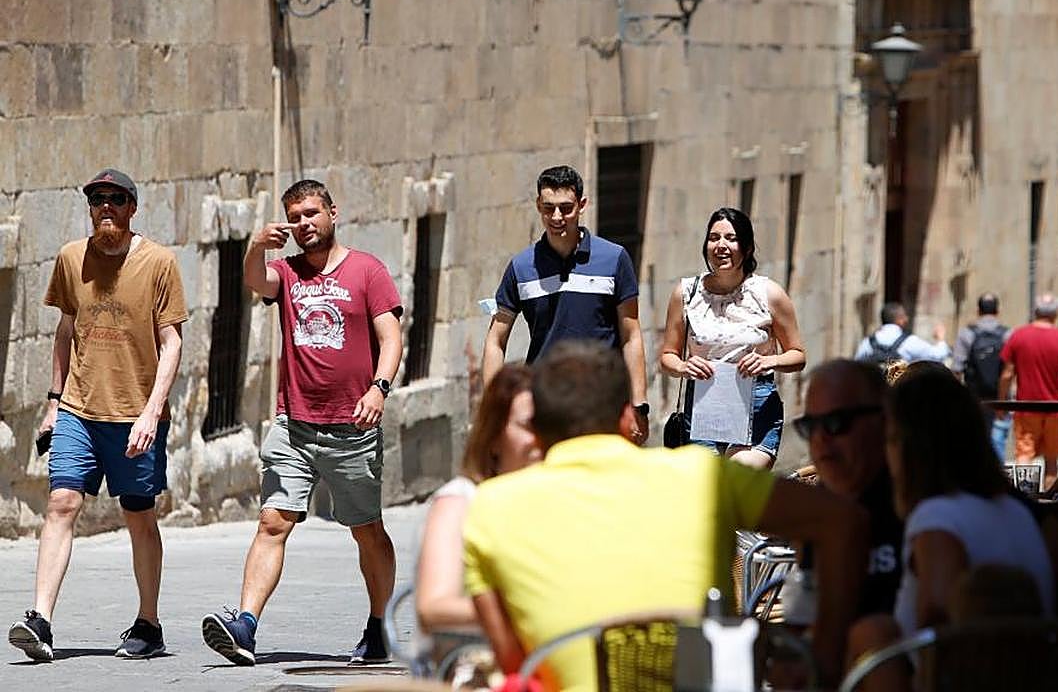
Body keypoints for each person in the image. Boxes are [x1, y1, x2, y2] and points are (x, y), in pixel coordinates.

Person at [463, 340, 869, 690]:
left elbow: (518, 662)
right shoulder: (703, 475)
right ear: (627, 419)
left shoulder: (489, 509)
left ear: (536, 429)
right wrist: (825, 658)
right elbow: (843, 521)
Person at [201, 179, 404, 666]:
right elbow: (255, 282)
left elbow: (391, 336)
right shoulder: (287, 273)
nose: (304, 224)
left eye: (312, 213)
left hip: (352, 428)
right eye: (295, 217)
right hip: (293, 424)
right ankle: (245, 626)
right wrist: (254, 245)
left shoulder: (367, 271)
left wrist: (379, 388)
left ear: (333, 212)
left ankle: (380, 625)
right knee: (273, 521)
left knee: (366, 530)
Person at [8, 169, 187, 662]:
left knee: (138, 514)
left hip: (136, 414)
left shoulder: (159, 263)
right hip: (78, 410)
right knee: (62, 503)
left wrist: (152, 412)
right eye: (97, 199)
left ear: (132, 208)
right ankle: (39, 619)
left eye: (116, 199)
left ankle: (148, 623)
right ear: (90, 208)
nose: (106, 206)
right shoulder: (70, 258)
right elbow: (66, 331)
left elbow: (172, 344)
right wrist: (52, 403)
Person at [845, 363, 1054, 692]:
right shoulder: (1014, 509)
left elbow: (940, 638)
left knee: (871, 634)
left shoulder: (938, 520)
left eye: (890, 439)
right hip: (1030, 674)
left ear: (910, 446)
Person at [482, 165, 650, 443]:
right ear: (538, 206)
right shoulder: (521, 267)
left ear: (582, 205)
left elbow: (631, 336)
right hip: (544, 404)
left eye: (566, 208)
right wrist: (495, 409)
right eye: (548, 208)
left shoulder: (614, 259)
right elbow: (495, 341)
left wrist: (638, 404)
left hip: (603, 400)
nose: (557, 217)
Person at [659, 207, 806, 469]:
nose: (721, 246)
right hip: (704, 405)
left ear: (747, 248)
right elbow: (667, 357)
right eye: (714, 238)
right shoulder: (686, 293)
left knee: (740, 477)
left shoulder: (769, 294)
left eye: (731, 238)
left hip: (756, 403)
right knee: (709, 490)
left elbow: (797, 355)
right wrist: (683, 366)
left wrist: (768, 361)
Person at [414, 364, 540, 639]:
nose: (540, 439)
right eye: (528, 426)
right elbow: (434, 609)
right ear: (494, 435)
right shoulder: (460, 501)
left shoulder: (559, 499)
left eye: (549, 427)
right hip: (473, 659)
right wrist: (536, 611)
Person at [794, 360, 903, 616]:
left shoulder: (918, 503)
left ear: (883, 421)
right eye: (810, 426)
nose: (820, 439)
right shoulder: (814, 513)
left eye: (836, 422)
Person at [998, 294, 1058, 489]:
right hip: (1056, 409)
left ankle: (1025, 500)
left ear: (1035, 312)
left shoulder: (1019, 336)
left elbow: (1007, 374)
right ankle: (1047, 505)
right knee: (1051, 461)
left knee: (1024, 455)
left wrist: (1002, 401)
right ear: (1056, 314)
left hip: (1026, 407)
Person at [951, 293, 1011, 459]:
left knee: (974, 440)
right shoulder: (1007, 335)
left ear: (978, 310)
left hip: (974, 397)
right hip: (1000, 398)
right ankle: (998, 477)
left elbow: (957, 369)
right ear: (998, 310)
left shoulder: (966, 334)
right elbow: (1010, 369)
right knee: (997, 441)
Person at [854, 302, 949, 365]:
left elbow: (857, 365)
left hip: (874, 392)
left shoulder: (867, 342)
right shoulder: (909, 341)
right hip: (897, 393)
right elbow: (938, 355)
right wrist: (940, 338)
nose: (907, 319)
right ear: (899, 320)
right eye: (904, 316)